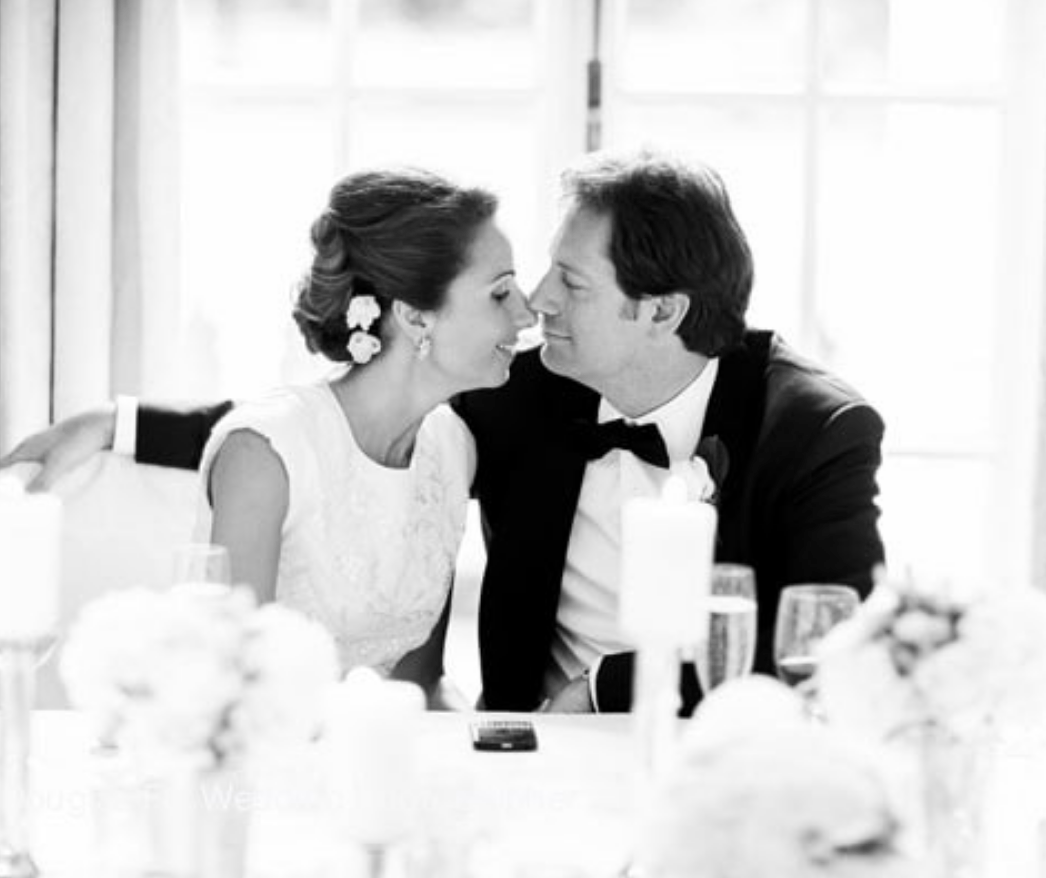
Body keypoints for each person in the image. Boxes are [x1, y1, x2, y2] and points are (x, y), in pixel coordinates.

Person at [2, 150, 884, 715]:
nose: (536, 303)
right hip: (515, 753)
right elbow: (323, 426)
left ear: (661, 309)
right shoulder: (515, 391)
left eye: (568, 284)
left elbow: (827, 643)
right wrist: (117, 422)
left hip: (708, 767)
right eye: (517, 283)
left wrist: (606, 688)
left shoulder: (818, 431)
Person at [30, 167, 534, 708]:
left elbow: (420, 685)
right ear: (414, 316)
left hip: (386, 756)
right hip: (264, 760)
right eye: (500, 293)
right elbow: (235, 694)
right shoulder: (266, 454)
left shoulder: (452, 447)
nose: (527, 313)